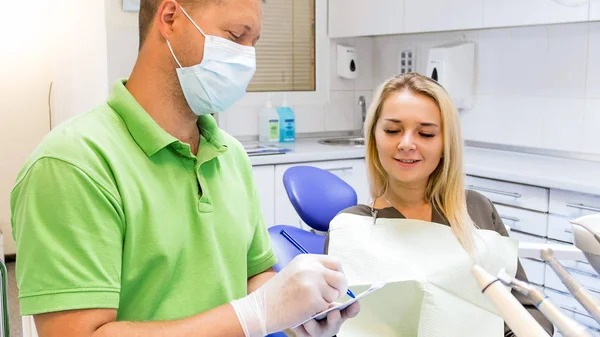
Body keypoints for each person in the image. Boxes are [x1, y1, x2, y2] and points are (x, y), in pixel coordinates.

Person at [10, 0, 359, 336]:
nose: (248, 59)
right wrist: (255, 315)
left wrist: (297, 312)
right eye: (237, 36)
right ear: (170, 17)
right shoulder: (73, 164)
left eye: (254, 43)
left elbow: (255, 276)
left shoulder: (230, 155)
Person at [327, 73, 554, 337]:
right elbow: (331, 328)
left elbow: (525, 308)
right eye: (392, 130)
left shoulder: (477, 210)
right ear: (374, 136)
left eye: (425, 133)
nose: (407, 144)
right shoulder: (350, 229)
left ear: (446, 143)